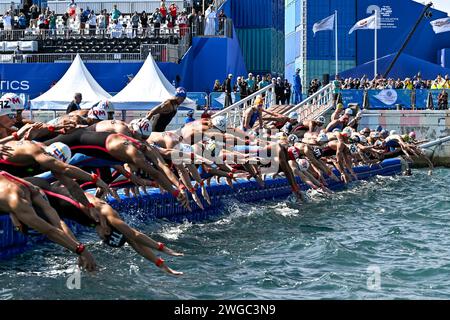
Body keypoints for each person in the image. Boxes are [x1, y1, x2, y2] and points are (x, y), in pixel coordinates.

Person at [0, 172, 97, 272]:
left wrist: (79, 249)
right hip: (24, 185)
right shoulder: (21, 197)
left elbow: (54, 227)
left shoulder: (23, 196)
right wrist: (81, 250)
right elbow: (53, 228)